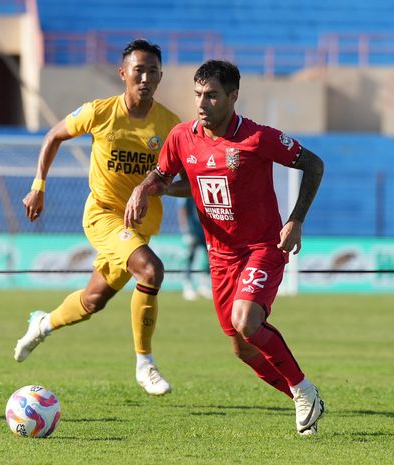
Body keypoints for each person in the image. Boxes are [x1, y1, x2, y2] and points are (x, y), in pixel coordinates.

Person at [124, 60, 326, 434]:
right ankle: (307, 397)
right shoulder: (182, 137)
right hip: (220, 257)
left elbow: (314, 164)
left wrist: (295, 221)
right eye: (198, 94)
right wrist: (142, 189)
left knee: (247, 321)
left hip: (262, 247)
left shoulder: (258, 138)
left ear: (233, 96)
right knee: (242, 348)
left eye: (212, 95)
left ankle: (301, 391)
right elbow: (163, 176)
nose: (202, 103)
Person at [13, 39, 181, 396]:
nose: (146, 77)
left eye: (153, 71)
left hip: (139, 228)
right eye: (139, 70)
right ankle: (145, 363)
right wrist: (38, 185)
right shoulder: (99, 112)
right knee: (151, 270)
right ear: (123, 74)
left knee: (93, 301)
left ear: (161, 76)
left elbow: (185, 182)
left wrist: (161, 189)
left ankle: (42, 324)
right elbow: (53, 135)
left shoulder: (170, 126)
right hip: (103, 215)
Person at [177, 196, 211, 300]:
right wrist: (186, 230)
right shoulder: (187, 191)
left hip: (205, 230)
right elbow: (182, 210)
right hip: (192, 230)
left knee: (209, 257)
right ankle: (187, 286)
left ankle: (204, 285)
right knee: (189, 257)